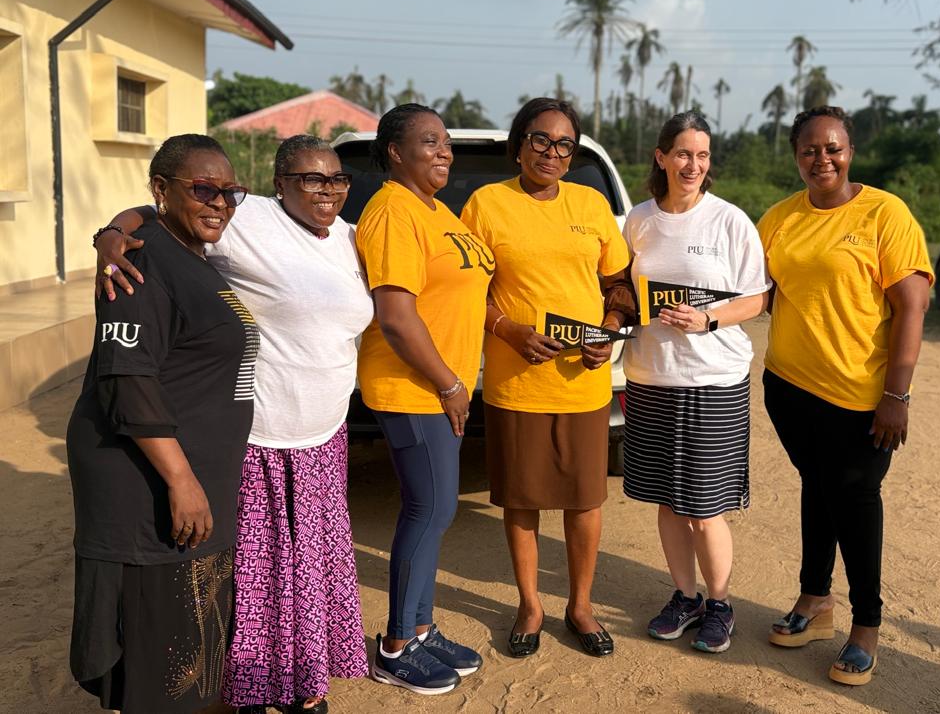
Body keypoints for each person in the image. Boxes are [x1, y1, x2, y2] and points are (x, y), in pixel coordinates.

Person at [95, 135, 373, 714]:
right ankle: (251, 690)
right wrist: (111, 235)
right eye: (310, 179)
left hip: (324, 436)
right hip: (263, 437)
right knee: (258, 581)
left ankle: (305, 685)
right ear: (279, 185)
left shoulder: (349, 237)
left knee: (312, 574)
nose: (327, 190)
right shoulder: (248, 220)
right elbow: (155, 211)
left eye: (337, 179)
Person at [67, 134, 258, 713]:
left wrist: (116, 224)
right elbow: (128, 380)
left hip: (199, 471)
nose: (220, 202)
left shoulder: (182, 249)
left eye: (230, 192)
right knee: (162, 649)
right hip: (150, 483)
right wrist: (181, 481)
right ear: (163, 190)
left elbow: (138, 214)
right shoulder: (138, 264)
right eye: (203, 188)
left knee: (194, 629)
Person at [757, 105, 932, 686]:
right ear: (796, 155)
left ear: (850, 152)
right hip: (788, 386)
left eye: (832, 148)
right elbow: (752, 291)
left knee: (855, 503)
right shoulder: (780, 217)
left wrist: (897, 395)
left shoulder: (885, 213)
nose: (821, 159)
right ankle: (814, 601)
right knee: (816, 486)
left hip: (861, 399)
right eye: (809, 149)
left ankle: (867, 627)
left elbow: (912, 306)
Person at [460, 97, 634, 659]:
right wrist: (509, 331)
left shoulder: (591, 203)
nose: (551, 153)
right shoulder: (486, 204)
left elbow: (620, 284)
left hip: (584, 381)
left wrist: (609, 328)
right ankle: (530, 604)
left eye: (564, 145)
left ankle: (580, 606)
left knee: (585, 499)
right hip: (517, 380)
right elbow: (468, 291)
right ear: (519, 144)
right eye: (540, 140)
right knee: (522, 498)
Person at [620, 111, 771, 654]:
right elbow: (619, 293)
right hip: (651, 376)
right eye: (684, 153)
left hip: (713, 379)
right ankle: (685, 596)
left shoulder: (730, 221)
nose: (694, 165)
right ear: (661, 157)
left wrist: (709, 320)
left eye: (703, 155)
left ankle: (721, 603)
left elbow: (757, 297)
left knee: (703, 506)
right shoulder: (636, 221)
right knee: (666, 499)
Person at [355, 104, 493, 695]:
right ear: (394, 151)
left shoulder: (438, 211)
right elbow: (395, 316)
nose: (443, 152)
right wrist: (450, 382)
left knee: (438, 510)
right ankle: (394, 645)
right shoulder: (392, 212)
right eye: (428, 142)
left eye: (445, 143)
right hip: (415, 387)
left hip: (441, 386)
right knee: (428, 508)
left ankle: (421, 626)